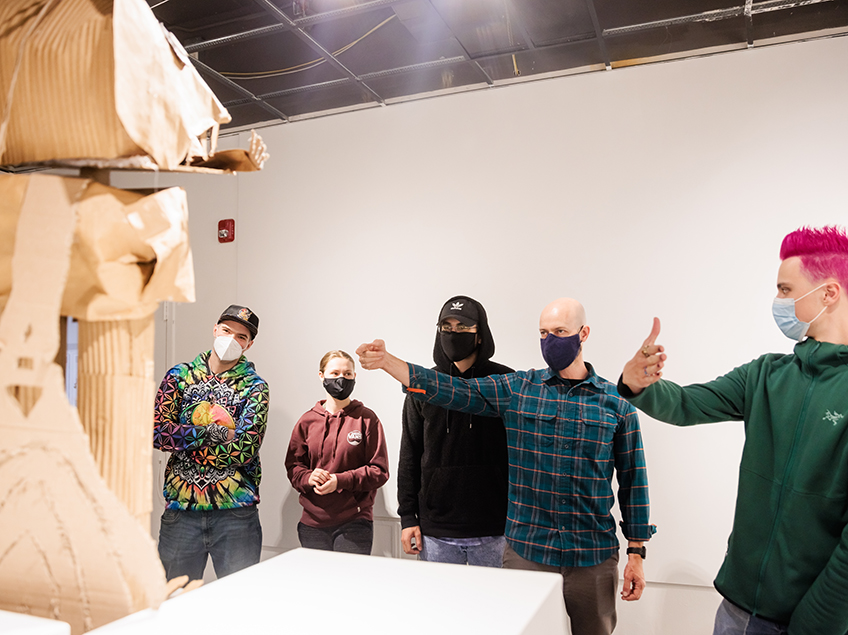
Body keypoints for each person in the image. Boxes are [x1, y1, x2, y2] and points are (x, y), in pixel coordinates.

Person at [357, 297, 655, 635]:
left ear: (583, 333)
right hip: (528, 550)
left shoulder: (616, 405)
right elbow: (451, 390)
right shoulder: (519, 389)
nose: (550, 340)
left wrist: (636, 552)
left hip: (592, 556)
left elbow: (634, 483)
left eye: (560, 331)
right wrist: (387, 362)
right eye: (543, 333)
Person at [619, 225, 848, 635]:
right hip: (737, 611)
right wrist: (639, 383)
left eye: (785, 289)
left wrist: (814, 623)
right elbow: (688, 404)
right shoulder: (765, 375)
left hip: (813, 621)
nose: (778, 301)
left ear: (828, 293)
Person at [153, 304, 269, 580]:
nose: (231, 339)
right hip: (182, 511)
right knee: (174, 599)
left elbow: (244, 449)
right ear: (215, 329)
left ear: (249, 344)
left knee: (239, 603)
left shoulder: (255, 387)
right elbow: (159, 433)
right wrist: (213, 433)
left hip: (236, 514)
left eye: (241, 336)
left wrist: (184, 438)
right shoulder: (179, 377)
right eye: (227, 330)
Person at [398, 295, 513, 566]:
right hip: (436, 530)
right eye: (446, 327)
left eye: (462, 327)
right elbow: (410, 455)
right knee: (439, 608)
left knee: (496, 608)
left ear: (480, 334)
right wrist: (407, 517)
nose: (453, 333)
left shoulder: (506, 382)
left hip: (496, 529)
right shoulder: (423, 386)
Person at [285, 350, 389, 555]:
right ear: (321, 376)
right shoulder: (307, 421)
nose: (341, 379)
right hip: (312, 525)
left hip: (354, 523)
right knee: (318, 586)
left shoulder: (367, 419)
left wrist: (340, 481)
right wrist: (309, 477)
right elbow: (294, 468)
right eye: (334, 373)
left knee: (348, 585)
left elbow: (379, 471)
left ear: (354, 377)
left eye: (347, 374)